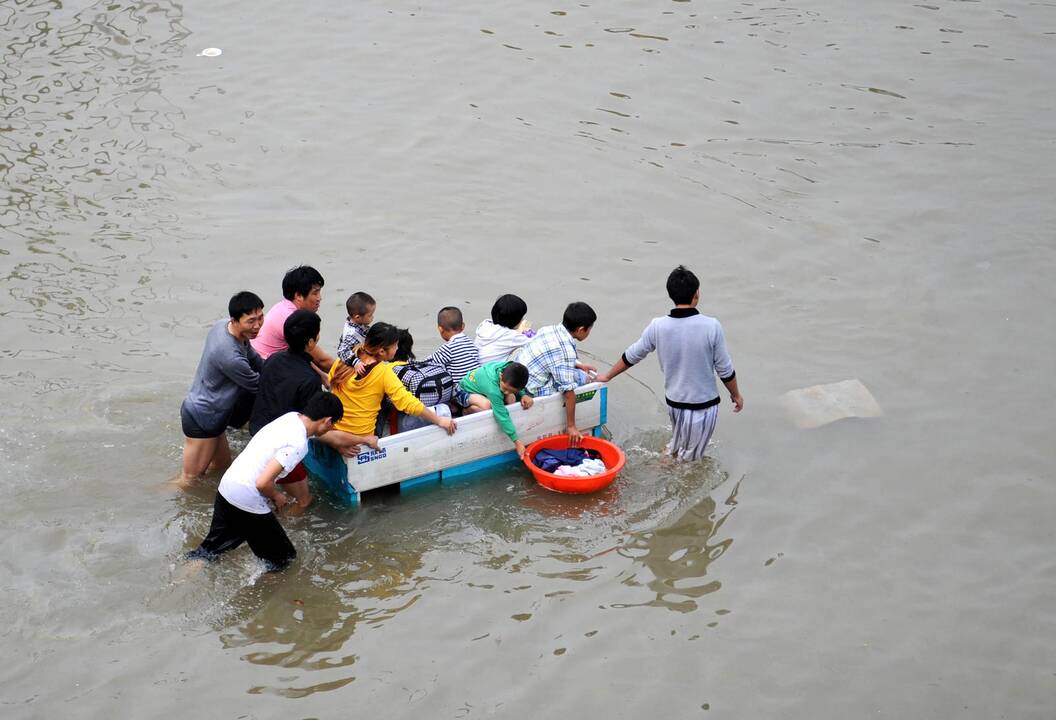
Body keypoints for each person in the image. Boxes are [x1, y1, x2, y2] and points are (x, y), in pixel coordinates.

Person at [596, 265, 743, 461]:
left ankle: (665, 460)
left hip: (674, 403)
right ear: (696, 294)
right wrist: (736, 395)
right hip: (701, 405)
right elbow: (725, 369)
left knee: (677, 443)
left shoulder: (658, 325)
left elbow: (633, 354)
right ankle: (664, 470)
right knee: (689, 460)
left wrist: (607, 376)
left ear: (671, 295)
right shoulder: (711, 326)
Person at [186, 392, 345, 572]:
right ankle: (259, 598)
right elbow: (262, 483)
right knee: (284, 560)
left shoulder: (291, 417)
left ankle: (181, 577)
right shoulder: (298, 444)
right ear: (327, 421)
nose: (330, 429)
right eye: (332, 425)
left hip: (228, 485)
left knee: (212, 549)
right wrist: (277, 496)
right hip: (247, 496)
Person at [249, 310, 377, 511]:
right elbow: (315, 426)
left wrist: (320, 375)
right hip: (279, 447)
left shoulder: (274, 359)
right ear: (310, 342)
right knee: (304, 501)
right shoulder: (308, 382)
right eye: (317, 335)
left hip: (258, 435)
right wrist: (341, 444)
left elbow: (300, 368)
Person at [179, 291, 265, 485]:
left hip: (215, 416)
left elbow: (254, 359)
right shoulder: (230, 356)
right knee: (189, 480)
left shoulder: (223, 326)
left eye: (260, 318)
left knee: (221, 468)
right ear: (235, 320)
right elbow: (258, 386)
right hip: (203, 418)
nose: (257, 325)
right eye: (251, 321)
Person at [329, 322, 457, 439]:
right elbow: (408, 403)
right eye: (395, 345)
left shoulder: (344, 359)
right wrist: (439, 420)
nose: (397, 348)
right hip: (363, 436)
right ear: (382, 351)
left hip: (336, 430)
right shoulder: (383, 372)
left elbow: (330, 383)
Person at [514, 301, 598, 445]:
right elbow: (568, 392)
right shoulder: (564, 350)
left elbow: (555, 358)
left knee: (575, 371)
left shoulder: (549, 329)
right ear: (581, 329)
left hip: (517, 376)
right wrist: (571, 426)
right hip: (528, 390)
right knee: (580, 377)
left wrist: (579, 364)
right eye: (589, 329)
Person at [251, 265, 334, 375]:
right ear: (298, 295)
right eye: (315, 293)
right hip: (264, 370)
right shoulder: (293, 320)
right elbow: (322, 361)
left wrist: (323, 376)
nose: (319, 298)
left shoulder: (283, 306)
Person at [384, 329, 455, 434]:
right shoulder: (416, 365)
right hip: (442, 413)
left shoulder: (387, 370)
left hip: (409, 423)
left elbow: (402, 403)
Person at [458, 361, 534, 457]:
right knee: (487, 406)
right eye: (505, 388)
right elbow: (501, 415)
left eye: (511, 390)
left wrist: (523, 395)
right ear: (501, 376)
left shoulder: (508, 368)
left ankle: (503, 394)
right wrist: (516, 441)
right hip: (464, 392)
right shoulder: (493, 389)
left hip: (483, 389)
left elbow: (517, 386)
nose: (506, 392)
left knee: (511, 398)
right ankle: (466, 410)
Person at [423, 306, 480, 385]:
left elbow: (426, 363)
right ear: (463, 326)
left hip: (461, 391)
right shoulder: (471, 343)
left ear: (440, 329)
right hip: (477, 385)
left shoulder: (448, 348)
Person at [474, 294, 531, 364]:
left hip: (474, 371)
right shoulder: (512, 336)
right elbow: (535, 340)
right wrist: (527, 326)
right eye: (521, 318)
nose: (522, 319)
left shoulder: (485, 325)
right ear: (514, 321)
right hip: (491, 372)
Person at [336, 291, 376, 366]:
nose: (373, 317)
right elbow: (342, 351)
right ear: (357, 317)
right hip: (355, 365)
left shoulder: (356, 323)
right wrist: (356, 362)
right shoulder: (351, 334)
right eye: (370, 315)